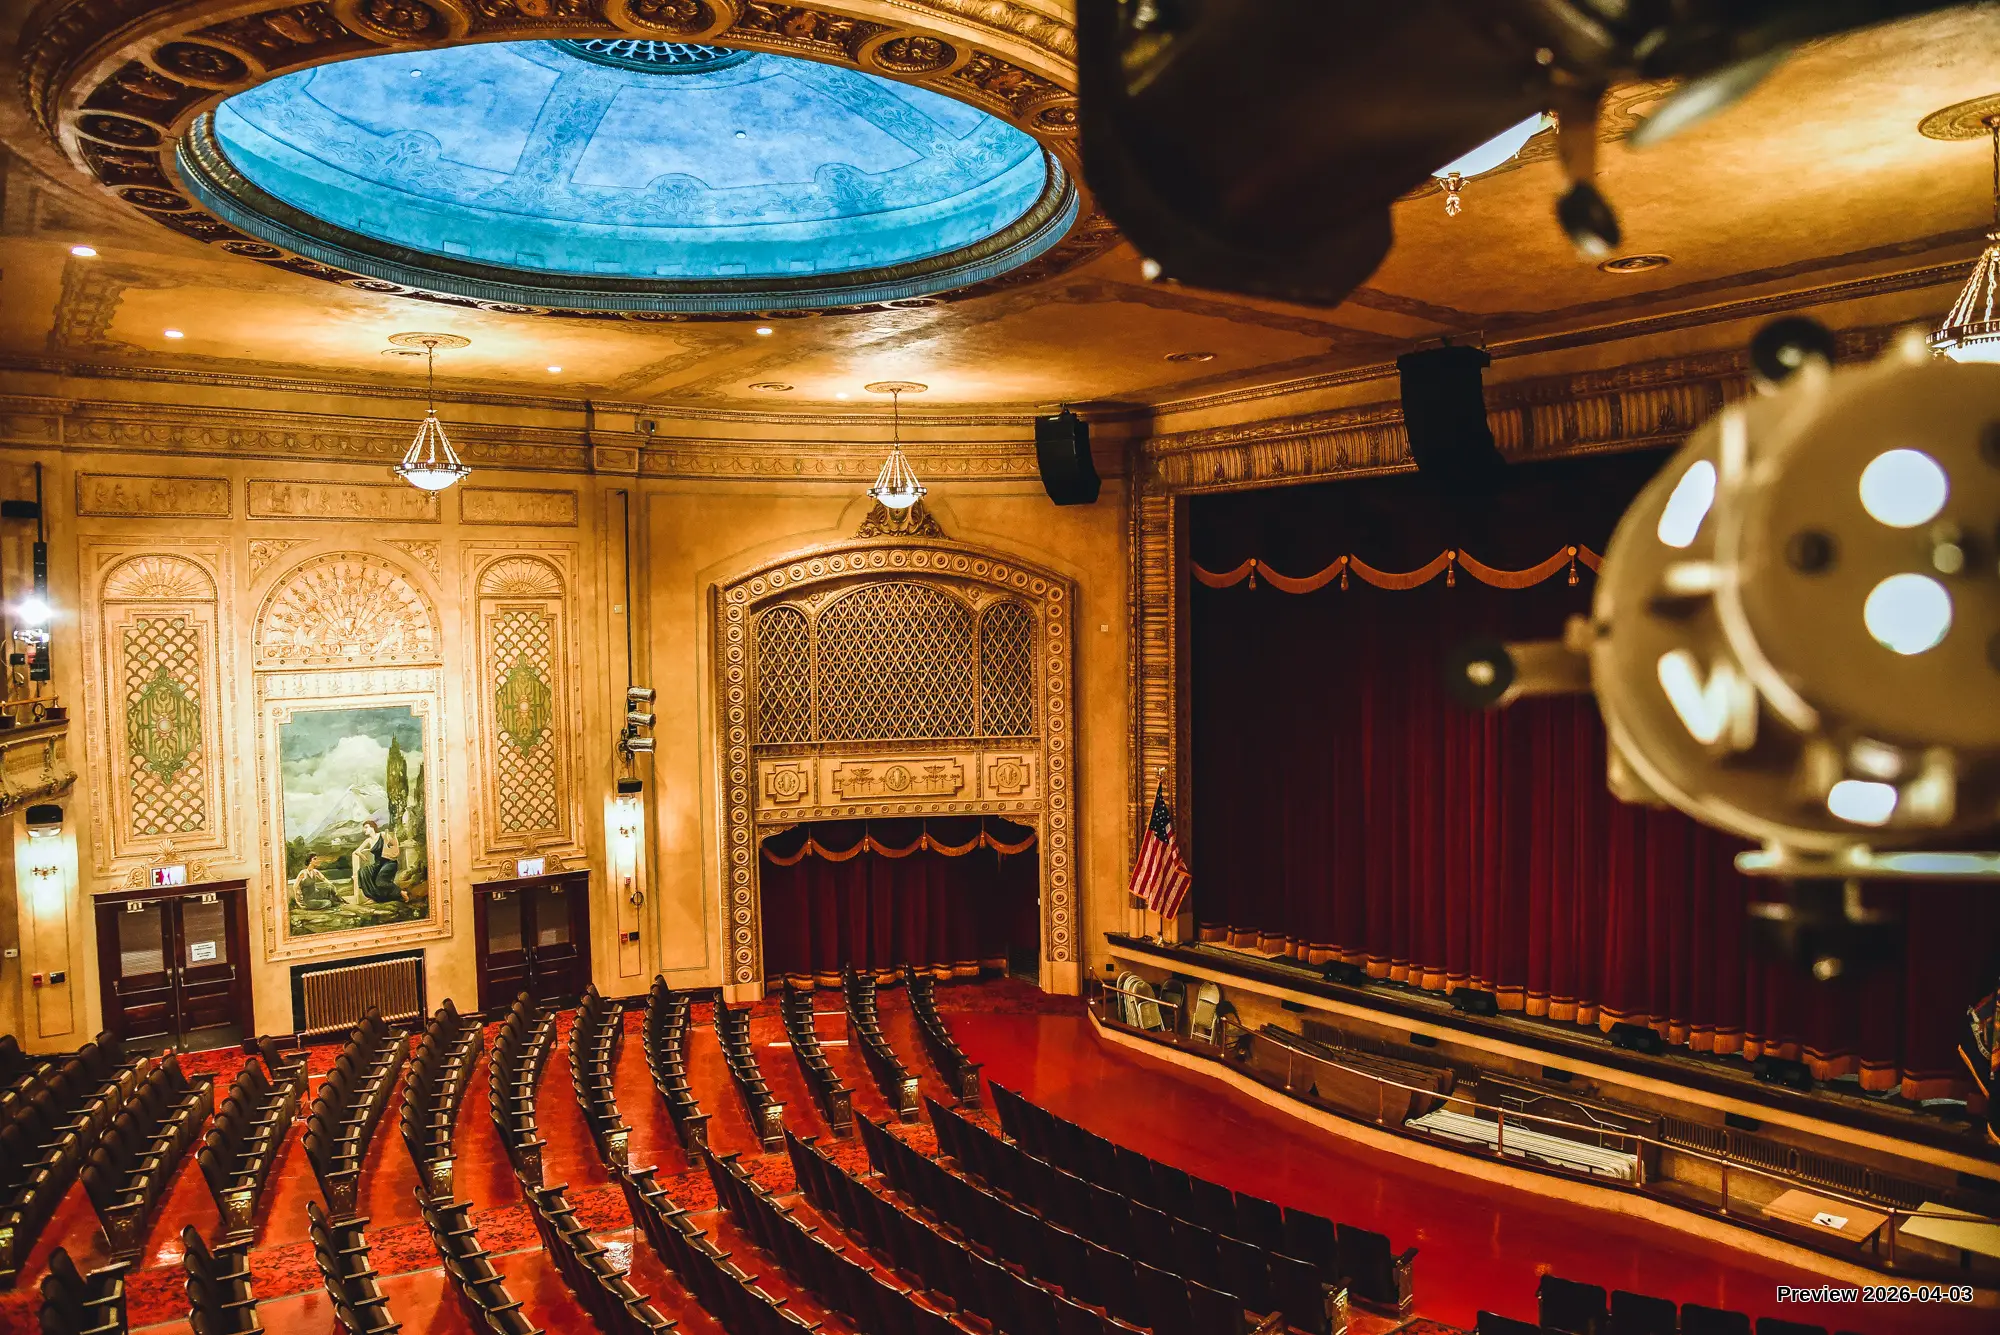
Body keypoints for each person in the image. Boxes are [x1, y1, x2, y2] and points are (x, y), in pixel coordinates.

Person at [353, 819, 403, 903]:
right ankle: (373, 897)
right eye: (364, 828)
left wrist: (390, 839)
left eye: (366, 827)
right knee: (363, 872)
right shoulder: (368, 840)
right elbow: (357, 851)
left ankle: (401, 892)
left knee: (380, 882)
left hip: (389, 862)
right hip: (378, 864)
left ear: (372, 827)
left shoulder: (382, 834)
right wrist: (362, 855)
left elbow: (393, 844)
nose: (364, 830)